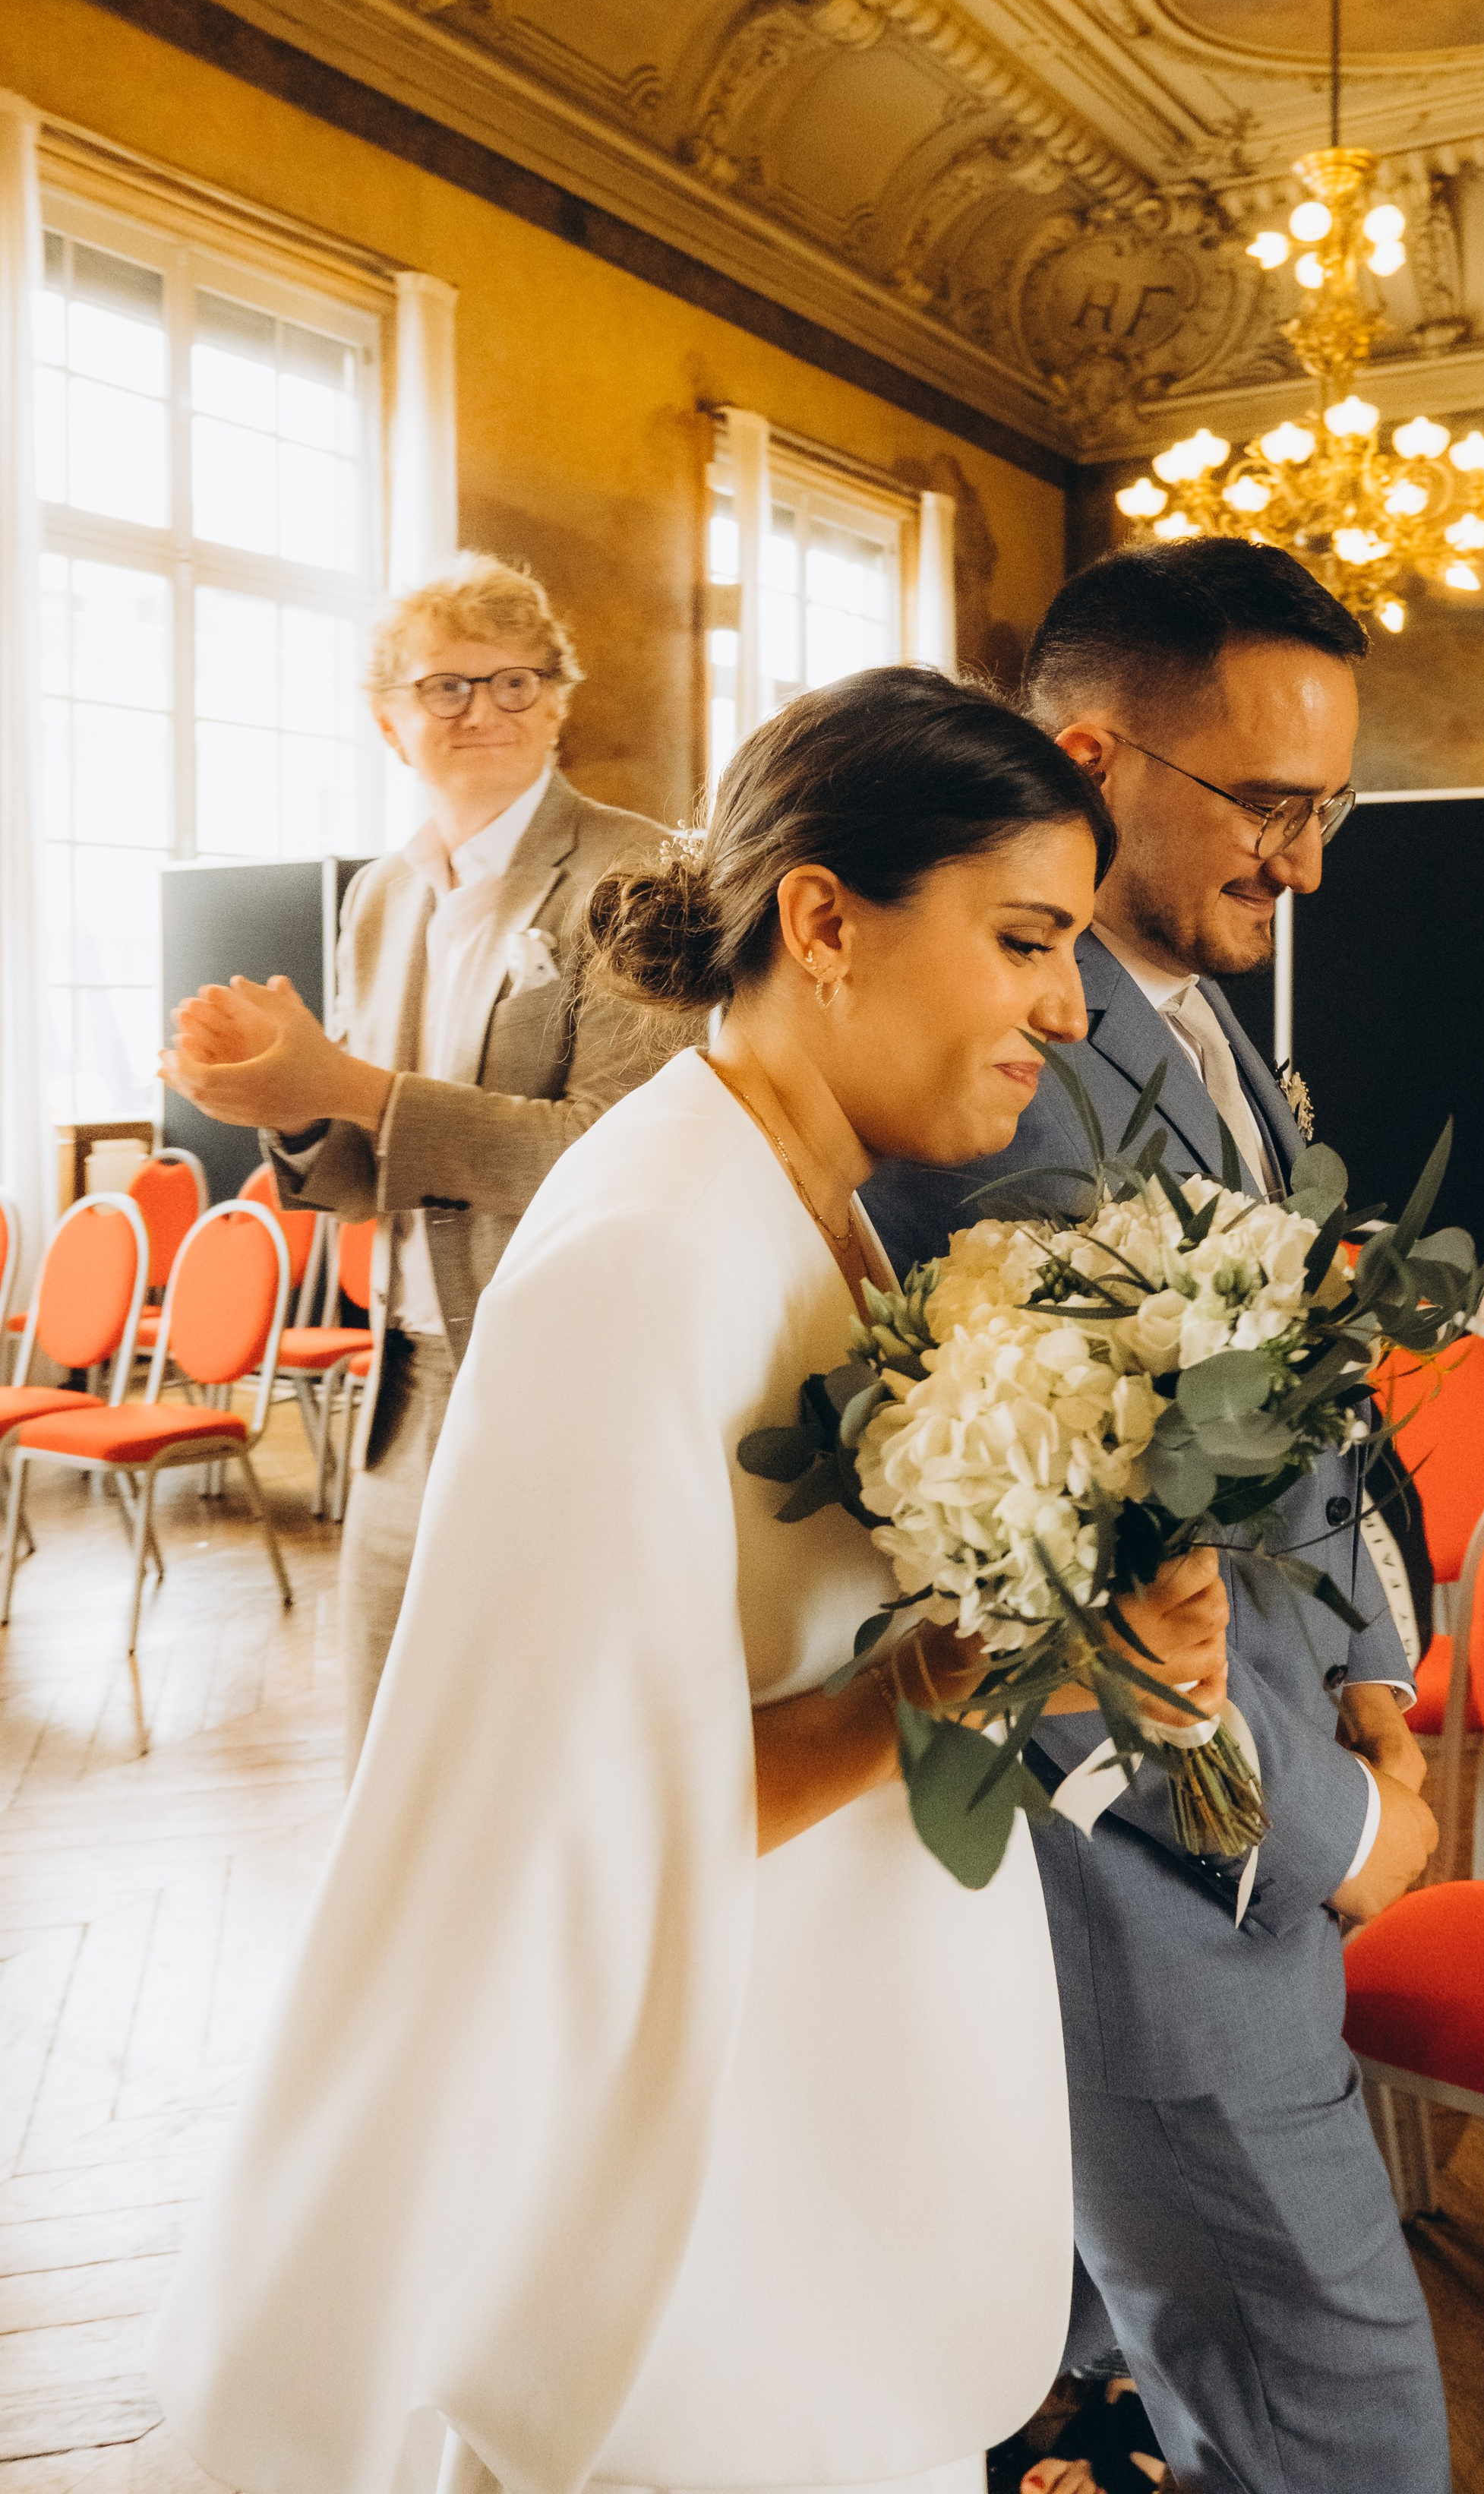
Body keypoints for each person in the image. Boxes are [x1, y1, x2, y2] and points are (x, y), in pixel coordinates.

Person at [150, 663, 1232, 2494]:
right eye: (1026, 937)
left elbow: (775, 1639)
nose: (1065, 1004)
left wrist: (1074, 1642)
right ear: (822, 918)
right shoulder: (651, 1247)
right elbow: (565, 1821)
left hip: (815, 2080)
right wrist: (976, 1665)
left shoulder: (814, 1198)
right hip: (695, 2168)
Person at [868, 542, 1450, 2494]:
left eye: (1326, 806)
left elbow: (1307, 1429)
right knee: (1349, 2425)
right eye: (1269, 804)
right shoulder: (1012, 1082)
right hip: (1155, 1885)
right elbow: (1058, 1553)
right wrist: (1338, 1822)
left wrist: (1372, 1678)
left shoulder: (1199, 1029)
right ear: (1094, 757)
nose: (1304, 864)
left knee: (1169, 2395)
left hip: (1273, 1775)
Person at [163, 551, 692, 1766]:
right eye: (446, 688)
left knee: (540, 1757)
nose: (485, 714)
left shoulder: (636, 874)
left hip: (569, 1382)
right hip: (403, 1385)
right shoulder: (383, 898)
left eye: (517, 684)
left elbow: (622, 1153)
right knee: (387, 1762)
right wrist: (278, 1100)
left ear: (561, 701)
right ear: (387, 718)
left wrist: (346, 1083)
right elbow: (369, 1165)